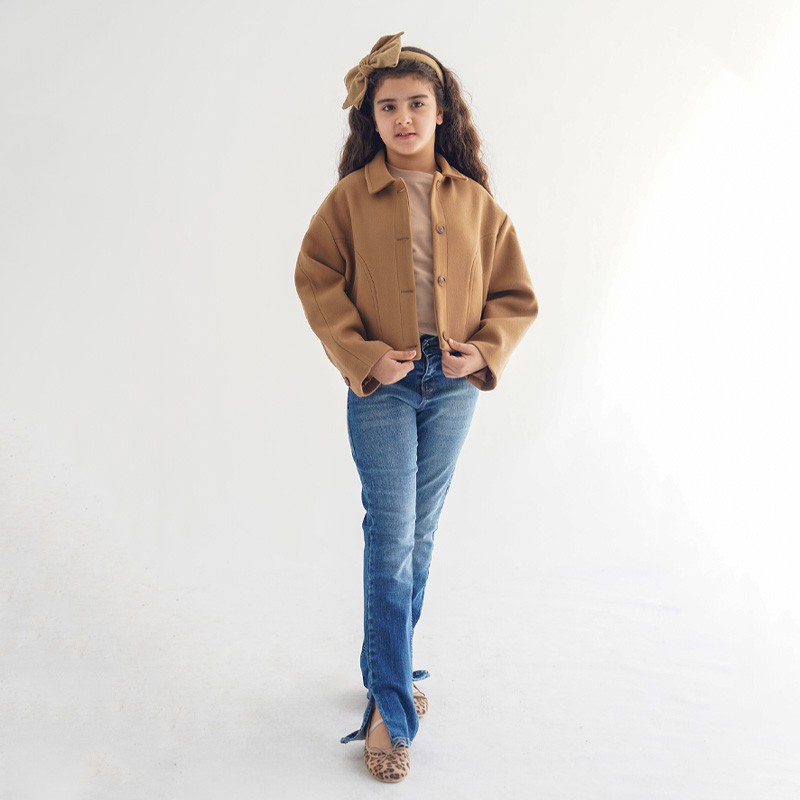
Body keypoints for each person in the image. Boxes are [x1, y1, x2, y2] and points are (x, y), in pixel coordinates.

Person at [294, 31, 538, 783]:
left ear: (441, 113)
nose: (403, 118)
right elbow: (316, 280)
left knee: (419, 536)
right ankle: (390, 711)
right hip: (383, 386)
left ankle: (386, 672)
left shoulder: (476, 203)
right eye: (388, 106)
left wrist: (484, 351)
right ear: (371, 118)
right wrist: (365, 355)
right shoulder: (348, 201)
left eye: (417, 104)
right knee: (391, 533)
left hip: (453, 384)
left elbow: (514, 294)